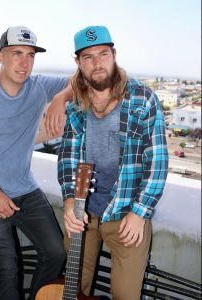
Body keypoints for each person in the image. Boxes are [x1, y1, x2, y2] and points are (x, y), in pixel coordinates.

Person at [57, 25, 169, 300]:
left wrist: (140, 213)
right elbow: (68, 156)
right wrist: (70, 199)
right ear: (78, 63)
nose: (97, 63)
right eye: (88, 57)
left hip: (126, 215)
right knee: (73, 289)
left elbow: (157, 161)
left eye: (103, 54)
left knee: (125, 294)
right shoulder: (75, 106)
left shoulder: (142, 99)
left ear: (114, 54)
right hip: (84, 213)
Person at [0, 25, 71, 300]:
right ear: (0, 56)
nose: (24, 62)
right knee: (6, 269)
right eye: (17, 53)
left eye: (30, 54)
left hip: (25, 189)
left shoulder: (39, 86)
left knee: (55, 252)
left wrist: (61, 98)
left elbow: (81, 79)